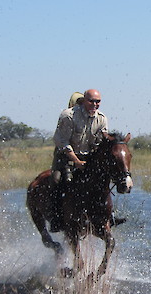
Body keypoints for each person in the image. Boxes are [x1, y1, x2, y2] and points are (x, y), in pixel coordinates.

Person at [49, 89, 108, 232]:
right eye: (91, 101)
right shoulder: (68, 116)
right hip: (65, 156)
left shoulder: (102, 118)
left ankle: (107, 216)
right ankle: (56, 218)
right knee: (57, 180)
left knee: (103, 180)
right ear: (84, 100)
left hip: (87, 158)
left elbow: (103, 140)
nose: (95, 104)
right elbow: (62, 141)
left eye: (97, 101)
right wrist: (76, 161)